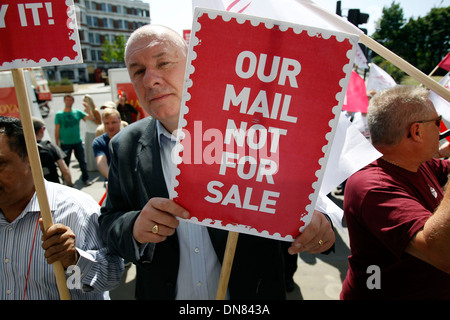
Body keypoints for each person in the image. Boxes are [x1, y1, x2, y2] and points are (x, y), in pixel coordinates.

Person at [99, 24, 335, 300]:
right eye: (138, 71)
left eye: (164, 63)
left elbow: (311, 206)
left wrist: (321, 227)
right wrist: (135, 226)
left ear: (193, 65)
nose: (151, 79)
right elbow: (108, 223)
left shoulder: (256, 131)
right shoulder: (124, 146)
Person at [340, 85, 450, 299]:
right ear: (416, 131)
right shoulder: (372, 186)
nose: (442, 128)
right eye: (437, 122)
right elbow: (441, 252)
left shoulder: (416, 163)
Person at [0, 116, 124, 300]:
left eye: (1, 164)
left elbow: (112, 275)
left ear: (30, 159)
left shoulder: (76, 210)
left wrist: (74, 260)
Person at [54, 94, 93, 186]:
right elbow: (57, 129)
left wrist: (88, 108)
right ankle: (65, 181)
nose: (69, 102)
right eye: (67, 100)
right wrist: (57, 144)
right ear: (64, 101)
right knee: (65, 163)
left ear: (73, 101)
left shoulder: (77, 112)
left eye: (71, 100)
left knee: (82, 161)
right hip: (65, 143)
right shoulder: (59, 114)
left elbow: (90, 118)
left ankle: (85, 179)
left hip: (77, 142)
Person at [33, 117, 73, 186]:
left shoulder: (20, 149)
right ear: (41, 130)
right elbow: (65, 171)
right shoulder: (49, 146)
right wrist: (70, 186)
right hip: (52, 187)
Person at [92, 108, 122, 180]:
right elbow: (101, 162)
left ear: (120, 121)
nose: (110, 126)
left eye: (113, 122)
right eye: (107, 123)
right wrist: (113, 180)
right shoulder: (98, 142)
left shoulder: (130, 138)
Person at [82, 95, 102, 172]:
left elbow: (99, 122)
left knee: (95, 150)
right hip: (88, 132)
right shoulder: (84, 111)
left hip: (94, 132)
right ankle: (90, 166)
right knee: (88, 151)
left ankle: (98, 166)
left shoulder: (95, 110)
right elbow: (85, 119)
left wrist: (92, 116)